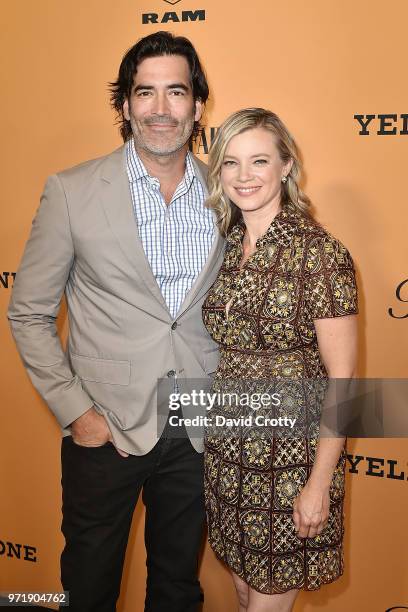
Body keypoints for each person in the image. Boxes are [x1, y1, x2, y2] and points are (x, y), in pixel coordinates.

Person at [7, 31, 224, 612]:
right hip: (104, 429)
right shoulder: (72, 191)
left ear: (197, 106)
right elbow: (27, 312)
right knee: (89, 587)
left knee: (178, 587)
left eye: (175, 93)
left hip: (196, 427)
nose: (160, 109)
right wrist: (77, 413)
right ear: (125, 105)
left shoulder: (228, 192)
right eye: (144, 93)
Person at [202, 108, 358, 612]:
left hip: (291, 462)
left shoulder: (320, 253)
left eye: (260, 161)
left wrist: (317, 485)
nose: (244, 176)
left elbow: (343, 380)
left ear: (287, 166)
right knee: (245, 592)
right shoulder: (227, 247)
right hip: (229, 457)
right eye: (230, 162)